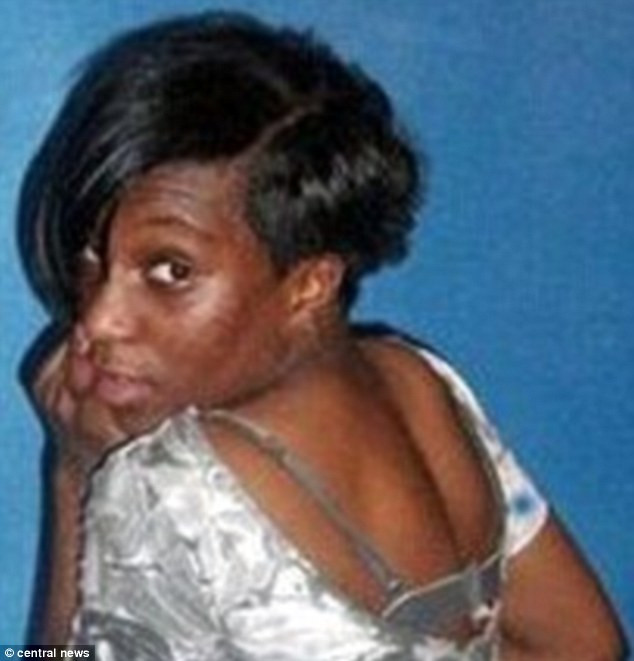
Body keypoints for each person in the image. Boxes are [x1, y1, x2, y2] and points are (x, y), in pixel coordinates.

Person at [19, 11, 626, 660]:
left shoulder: (171, 486)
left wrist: (76, 476)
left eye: (171, 271)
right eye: (94, 257)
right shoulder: (422, 380)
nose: (100, 319)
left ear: (310, 283)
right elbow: (587, 643)